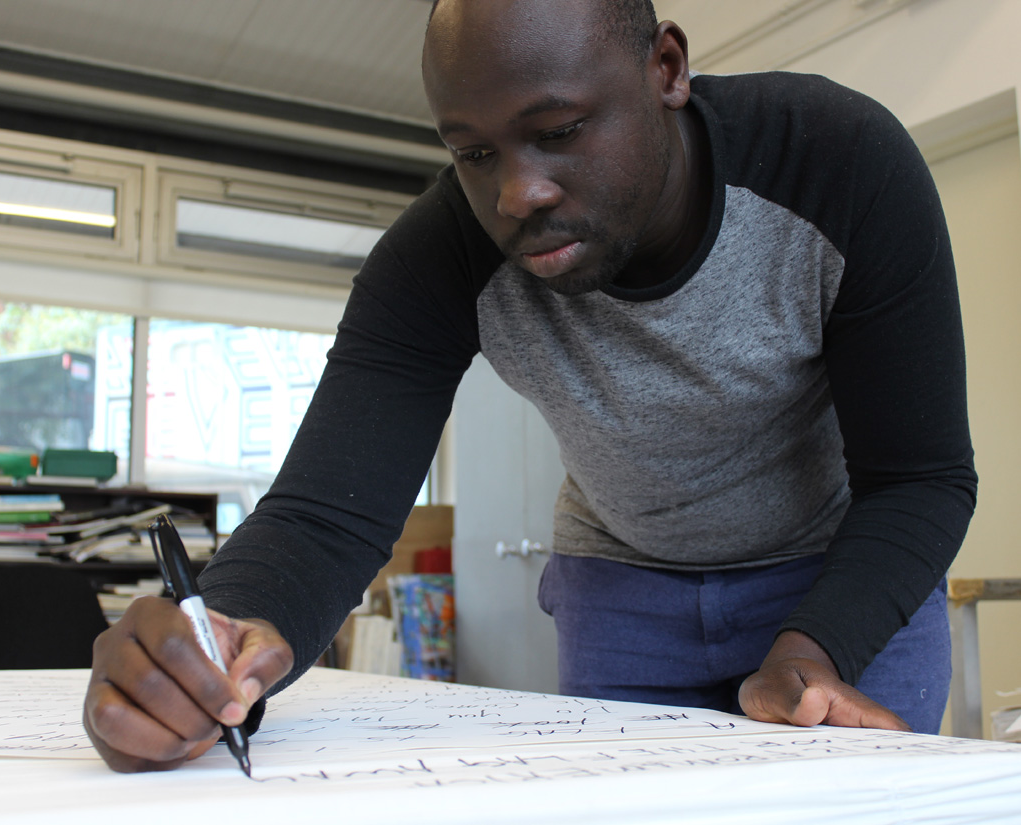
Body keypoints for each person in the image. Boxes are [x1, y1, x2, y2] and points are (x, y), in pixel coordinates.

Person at [84, 0, 977, 772]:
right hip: (625, 580)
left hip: (844, 572)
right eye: (473, 152)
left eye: (557, 133)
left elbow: (918, 477)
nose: (517, 193)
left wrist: (813, 650)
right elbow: (326, 516)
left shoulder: (842, 162)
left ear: (665, 68)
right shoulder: (437, 257)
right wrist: (214, 647)